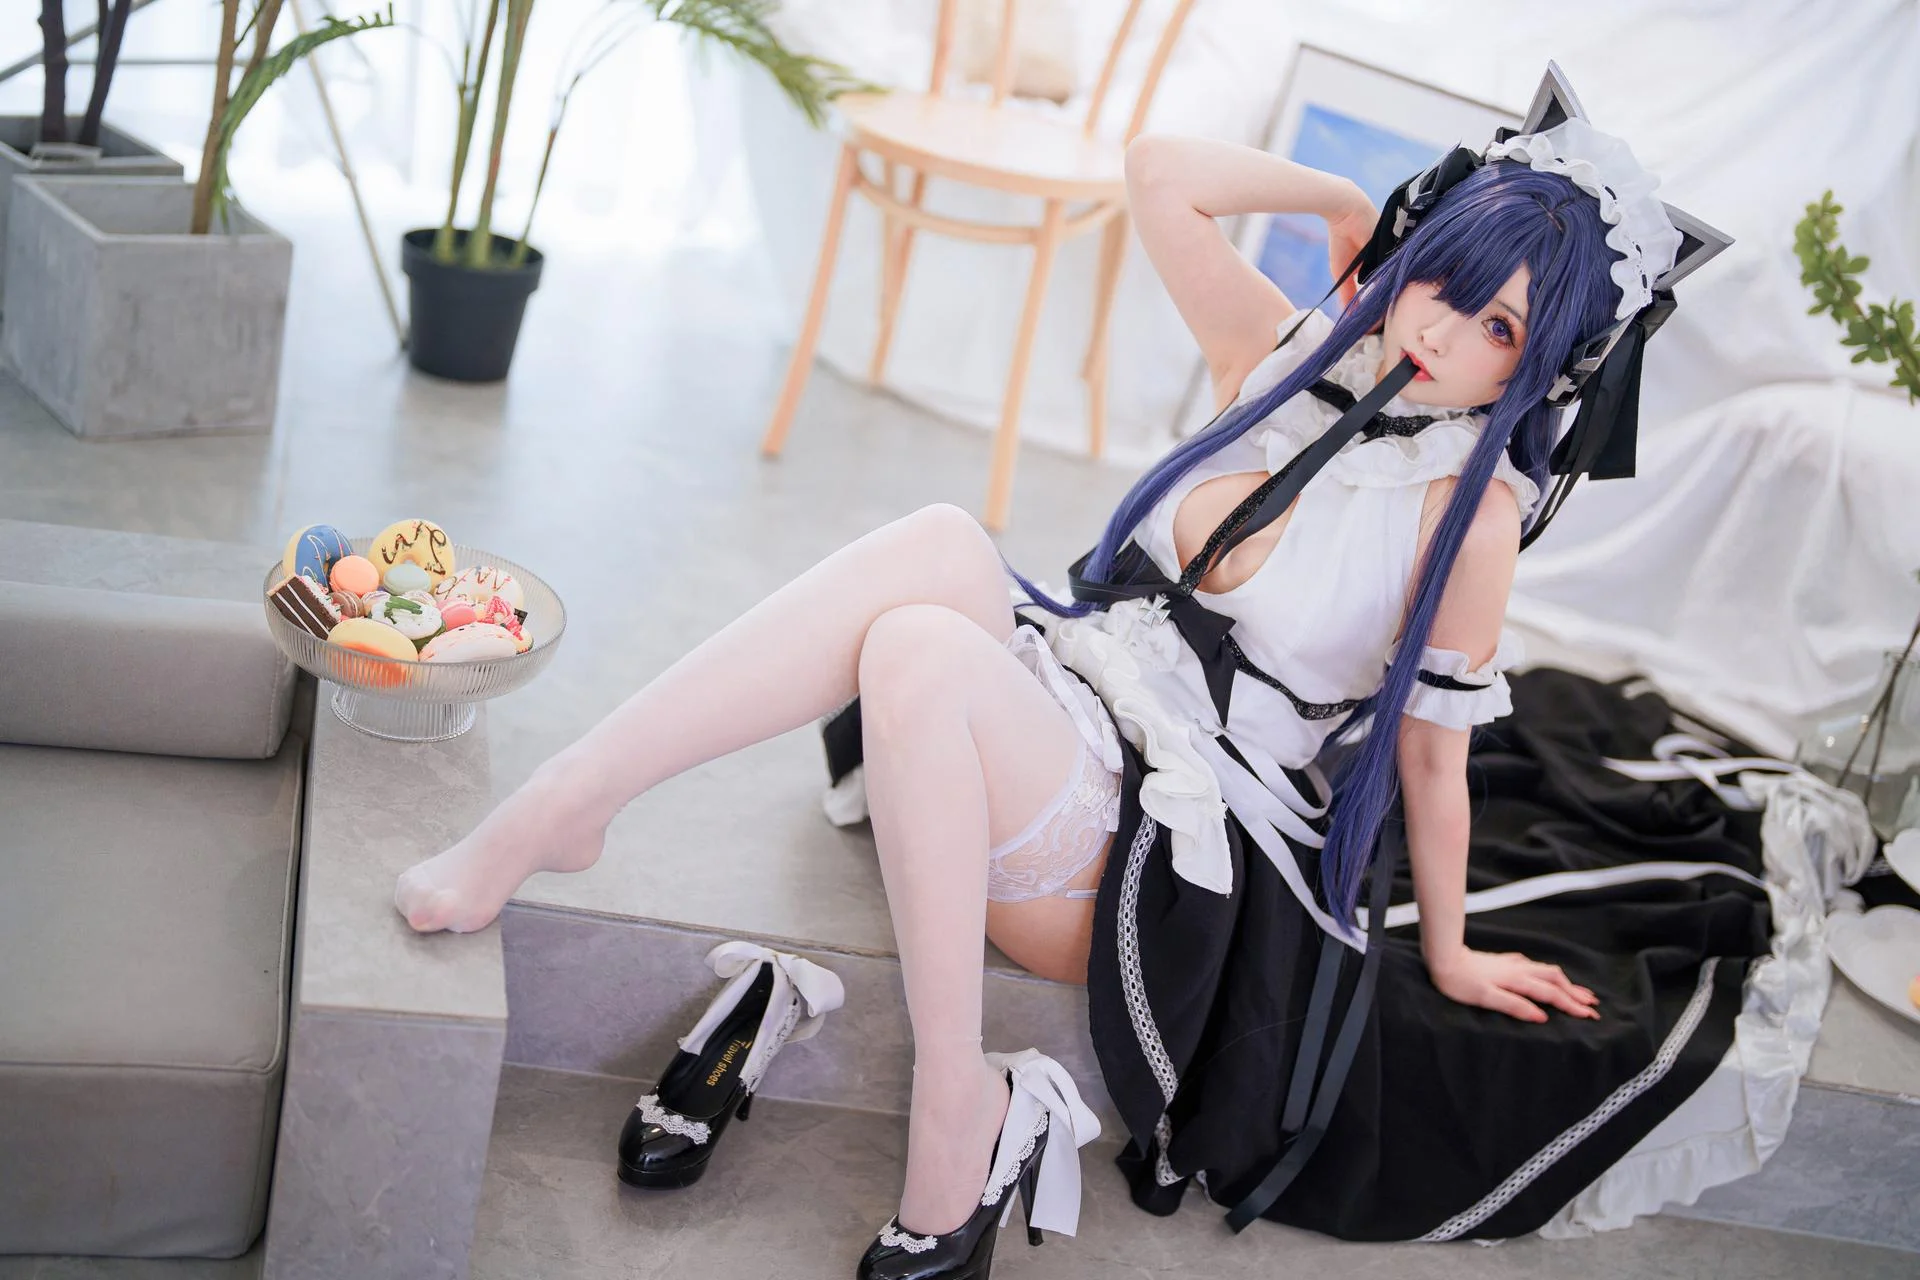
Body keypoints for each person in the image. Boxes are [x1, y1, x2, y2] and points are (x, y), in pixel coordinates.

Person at [392, 68, 1749, 1270]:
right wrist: (1348, 199)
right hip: (1074, 703)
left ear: (1548, 368)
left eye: (1502, 331)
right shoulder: (1287, 356)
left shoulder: (1472, 517)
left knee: (921, 645)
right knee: (939, 544)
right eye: (1448, 281)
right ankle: (570, 801)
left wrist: (1447, 948)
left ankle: (954, 1103)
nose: (1443, 337)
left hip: (1167, 844)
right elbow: (1159, 173)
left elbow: (1432, 759)